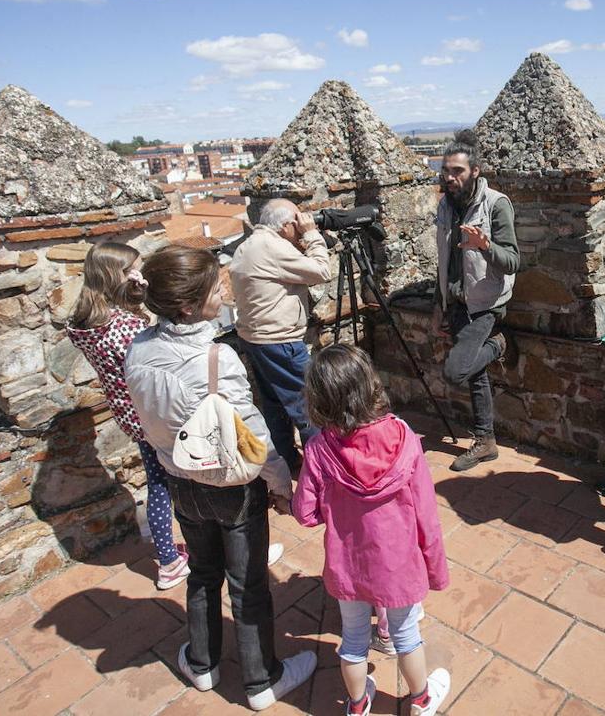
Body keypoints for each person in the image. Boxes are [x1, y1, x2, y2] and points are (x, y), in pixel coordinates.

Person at [124, 246, 315, 710]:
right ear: (189, 305)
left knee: (203, 574)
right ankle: (261, 681)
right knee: (248, 584)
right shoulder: (216, 359)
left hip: (180, 479)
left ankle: (204, 663)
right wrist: (279, 485)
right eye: (214, 286)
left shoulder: (138, 347)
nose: (222, 290)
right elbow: (254, 435)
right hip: (232, 488)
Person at [293, 344, 451, 716]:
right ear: (369, 385)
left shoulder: (319, 449)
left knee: (353, 640)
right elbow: (426, 513)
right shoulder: (405, 437)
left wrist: (329, 513)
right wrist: (435, 567)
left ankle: (358, 702)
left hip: (348, 565)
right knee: (406, 636)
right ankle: (421, 699)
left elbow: (304, 512)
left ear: (320, 400)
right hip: (399, 565)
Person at [67, 243, 191, 590]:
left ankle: (168, 553)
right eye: (135, 270)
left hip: (127, 413)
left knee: (159, 480)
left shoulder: (83, 323)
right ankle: (171, 559)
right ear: (117, 276)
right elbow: (161, 353)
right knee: (171, 482)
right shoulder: (124, 328)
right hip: (153, 413)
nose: (142, 275)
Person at [433, 129, 520, 472]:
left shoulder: (496, 205)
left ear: (476, 171)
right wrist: (438, 306)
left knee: (455, 372)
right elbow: (443, 261)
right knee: (474, 373)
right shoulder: (445, 205)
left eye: (458, 171)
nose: (450, 177)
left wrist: (485, 246)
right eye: (446, 171)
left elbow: (513, 261)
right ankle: (486, 440)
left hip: (485, 304)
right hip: (456, 302)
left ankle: (500, 344)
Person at [231, 198, 332, 472]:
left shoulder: (248, 245)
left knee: (274, 406)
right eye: (297, 222)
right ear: (286, 225)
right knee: (309, 408)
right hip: (280, 342)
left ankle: (290, 461)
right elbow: (322, 271)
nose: (300, 227)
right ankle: (321, 473)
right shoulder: (273, 248)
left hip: (254, 340)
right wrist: (312, 236)